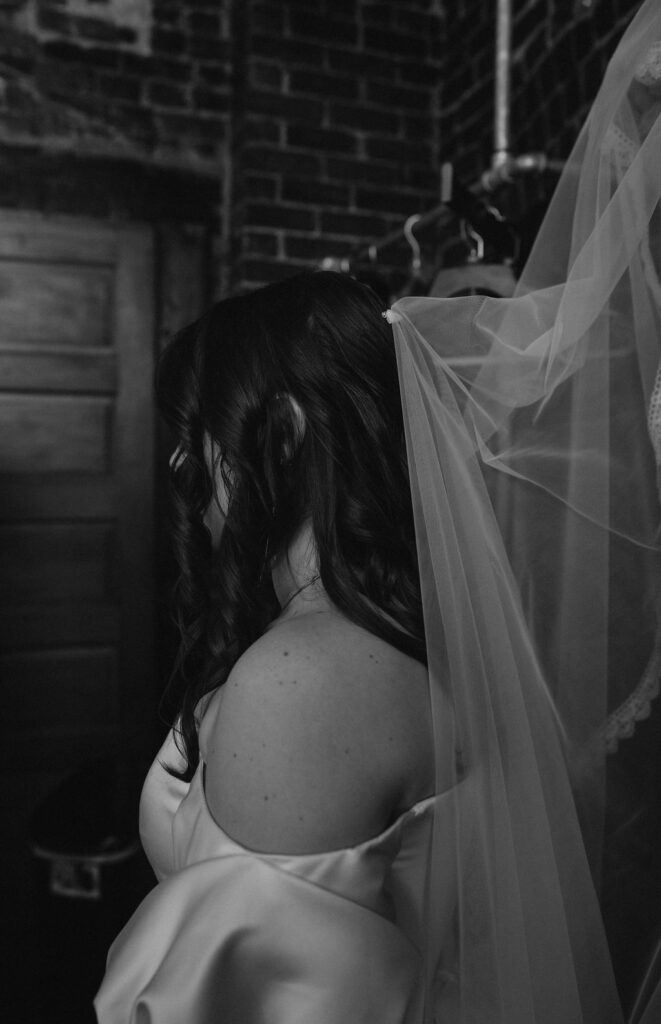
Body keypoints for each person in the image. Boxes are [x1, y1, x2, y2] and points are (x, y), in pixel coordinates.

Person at [96, 1, 661, 1021]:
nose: (183, 459)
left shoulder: (303, 678)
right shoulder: (428, 632)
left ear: (285, 433)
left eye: (200, 426)